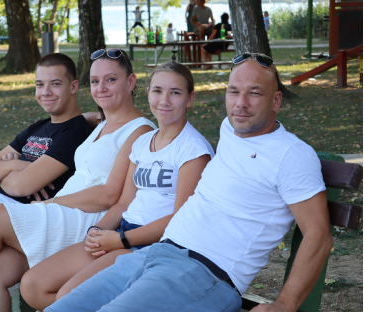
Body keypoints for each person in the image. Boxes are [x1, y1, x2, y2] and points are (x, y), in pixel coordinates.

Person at [47, 54, 331, 312]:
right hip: (154, 254)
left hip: (204, 274)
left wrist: (285, 304)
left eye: (255, 93)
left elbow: (319, 234)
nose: (241, 103)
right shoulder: (231, 129)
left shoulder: (292, 155)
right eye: (233, 92)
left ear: (277, 101)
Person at [0, 50, 153, 312]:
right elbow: (88, 120)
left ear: (131, 82)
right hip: (61, 211)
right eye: (96, 81)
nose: (101, 88)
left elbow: (109, 195)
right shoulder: (100, 124)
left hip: (86, 217)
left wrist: (54, 201)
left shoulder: (140, 131)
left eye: (111, 79)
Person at [20, 62, 213, 310]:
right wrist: (98, 232)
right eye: (157, 91)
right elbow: (124, 202)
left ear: (189, 98)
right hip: (121, 232)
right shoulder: (143, 142)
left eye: (175, 92)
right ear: (148, 94)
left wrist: (121, 240)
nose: (164, 100)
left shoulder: (193, 150)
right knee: (33, 285)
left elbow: (180, 218)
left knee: (68, 296)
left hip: (154, 245)